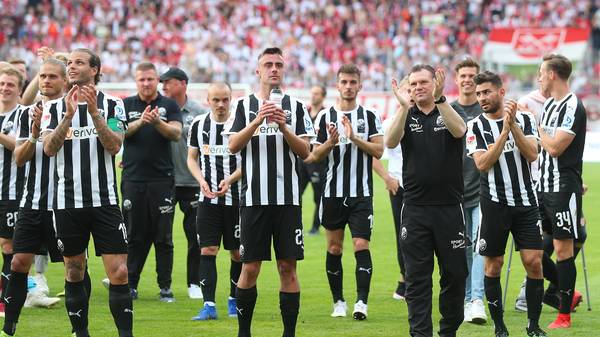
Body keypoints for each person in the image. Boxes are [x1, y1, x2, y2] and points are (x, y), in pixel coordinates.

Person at [42, 48, 132, 337]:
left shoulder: (113, 104)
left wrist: (93, 113)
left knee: (119, 272)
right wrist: (68, 118)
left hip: (105, 202)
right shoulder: (52, 108)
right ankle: (81, 333)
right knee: (74, 271)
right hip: (67, 203)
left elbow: (115, 145)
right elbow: (48, 148)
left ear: (94, 69)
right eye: (69, 63)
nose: (71, 67)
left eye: (78, 62)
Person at [225, 47, 315, 337]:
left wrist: (283, 126)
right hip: (253, 201)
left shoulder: (297, 107)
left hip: (288, 201)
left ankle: (288, 333)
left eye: (278, 64)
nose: (273, 69)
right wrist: (257, 121)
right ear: (258, 70)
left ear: (283, 70)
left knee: (287, 267)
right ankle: (244, 332)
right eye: (268, 64)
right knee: (249, 268)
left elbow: (306, 152)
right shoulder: (242, 106)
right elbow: (232, 146)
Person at [386, 64, 468, 337]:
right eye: (413, 84)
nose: (418, 88)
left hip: (449, 209)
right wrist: (402, 107)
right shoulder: (406, 115)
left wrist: (442, 99)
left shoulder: (448, 110)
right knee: (417, 279)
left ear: (435, 84)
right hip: (416, 210)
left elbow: (459, 131)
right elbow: (390, 141)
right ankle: (421, 334)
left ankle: (448, 331)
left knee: (455, 276)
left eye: (423, 82)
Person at [467, 71, 546, 337]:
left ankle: (533, 326)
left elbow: (533, 154)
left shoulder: (524, 118)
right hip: (493, 204)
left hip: (525, 201)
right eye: (478, 94)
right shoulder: (475, 126)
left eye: (486, 92)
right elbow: (482, 164)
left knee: (534, 262)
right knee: (494, 265)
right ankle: (500, 326)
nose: (482, 98)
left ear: (501, 92)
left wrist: (512, 126)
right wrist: (503, 134)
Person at [305, 64, 383, 320]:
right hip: (332, 194)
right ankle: (338, 301)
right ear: (337, 85)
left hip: (361, 194)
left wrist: (354, 137)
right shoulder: (324, 116)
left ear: (359, 85)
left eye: (353, 82)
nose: (348, 86)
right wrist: (331, 142)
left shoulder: (370, 115)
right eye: (344, 82)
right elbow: (313, 155)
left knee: (361, 244)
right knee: (335, 248)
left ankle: (362, 302)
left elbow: (379, 151)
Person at [0, 58, 72, 336]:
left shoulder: (75, 111)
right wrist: (32, 137)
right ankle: (10, 323)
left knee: (74, 265)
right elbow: (19, 158)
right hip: (32, 201)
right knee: (18, 260)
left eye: (52, 76)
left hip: (68, 202)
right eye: (42, 76)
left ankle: (80, 324)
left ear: (64, 81)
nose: (46, 81)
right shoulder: (27, 114)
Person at [121, 62, 182, 302]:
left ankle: (165, 287)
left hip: (162, 180)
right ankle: (131, 284)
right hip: (133, 179)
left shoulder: (168, 105)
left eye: (150, 79)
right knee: (134, 235)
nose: (146, 84)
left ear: (157, 80)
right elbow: (118, 133)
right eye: (141, 80)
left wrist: (157, 122)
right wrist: (142, 122)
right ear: (136, 82)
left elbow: (176, 134)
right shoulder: (125, 105)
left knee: (163, 237)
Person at [536, 54, 587, 329]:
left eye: (542, 73)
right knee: (531, 248)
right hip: (542, 188)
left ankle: (563, 315)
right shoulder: (548, 106)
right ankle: (568, 291)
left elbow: (555, 148)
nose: (539, 78)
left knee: (562, 249)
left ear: (553, 74)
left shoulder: (572, 105)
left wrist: (539, 129)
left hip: (562, 188)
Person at [187, 82, 242, 320]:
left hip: (237, 199)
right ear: (207, 100)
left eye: (225, 99)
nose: (220, 105)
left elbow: (248, 162)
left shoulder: (240, 125)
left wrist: (229, 180)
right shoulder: (199, 125)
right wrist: (201, 180)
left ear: (231, 100)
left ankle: (233, 299)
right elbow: (191, 158)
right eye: (216, 100)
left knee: (237, 253)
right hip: (207, 200)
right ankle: (209, 305)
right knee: (208, 249)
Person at [161, 67, 207, 299]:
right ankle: (164, 286)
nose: (164, 87)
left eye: (168, 82)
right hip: (165, 181)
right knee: (162, 235)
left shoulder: (199, 112)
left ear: (182, 83)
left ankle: (194, 283)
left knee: (195, 235)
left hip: (192, 181)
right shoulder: (159, 109)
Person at [450, 58, 487, 324]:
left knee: (479, 247)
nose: (467, 80)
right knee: (461, 248)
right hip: (454, 194)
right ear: (456, 79)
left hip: (483, 191)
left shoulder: (486, 109)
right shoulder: (447, 110)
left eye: (472, 76)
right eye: (463, 75)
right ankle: (465, 299)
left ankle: (476, 300)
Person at [372, 76, 409, 301]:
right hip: (400, 186)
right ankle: (405, 278)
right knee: (402, 235)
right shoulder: (389, 123)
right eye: (406, 89)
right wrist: (387, 178)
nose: (410, 93)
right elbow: (373, 154)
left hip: (425, 186)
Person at [0, 67, 27, 318]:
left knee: (8, 246)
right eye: (2, 83)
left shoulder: (23, 115)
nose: (5, 87)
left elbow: (20, 146)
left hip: (11, 192)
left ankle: (5, 299)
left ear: (20, 89)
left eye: (10, 84)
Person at [298, 85, 327, 235]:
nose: (313, 96)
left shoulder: (325, 115)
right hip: (302, 161)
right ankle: (295, 225)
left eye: (317, 93)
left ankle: (315, 226)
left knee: (318, 197)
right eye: (312, 93)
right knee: (296, 194)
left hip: (318, 163)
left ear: (323, 96)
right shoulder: (305, 113)